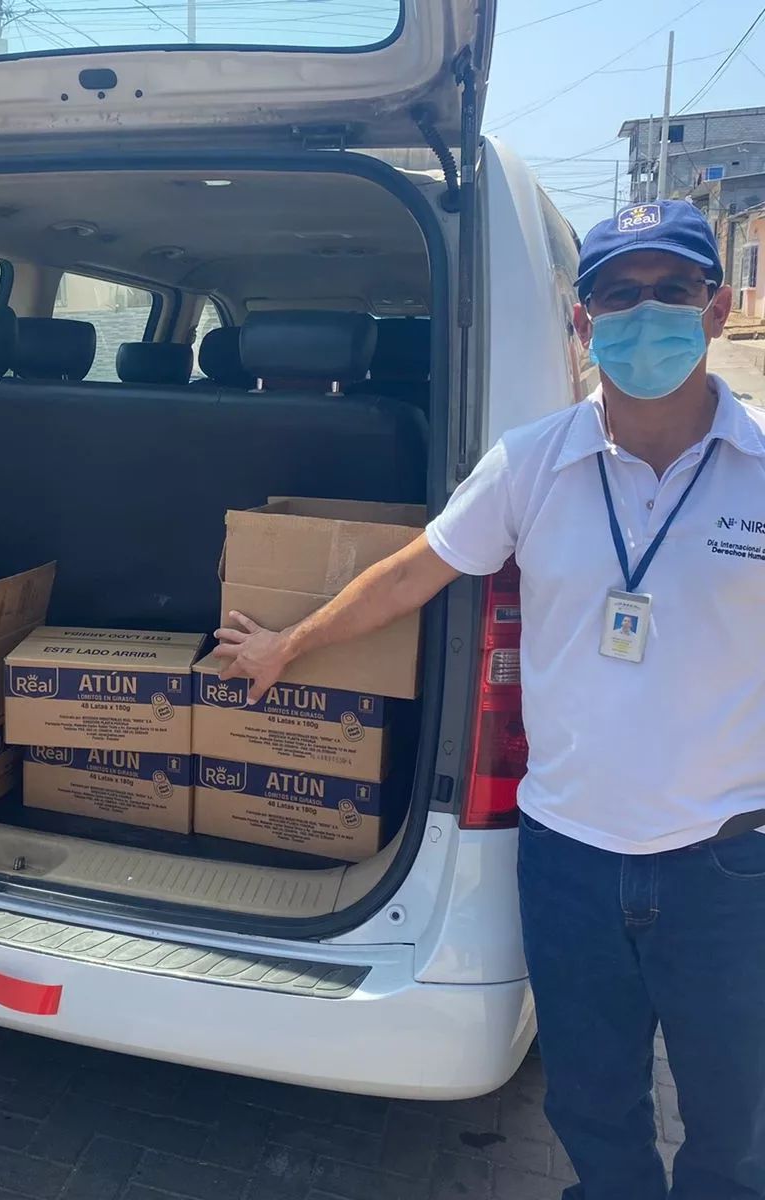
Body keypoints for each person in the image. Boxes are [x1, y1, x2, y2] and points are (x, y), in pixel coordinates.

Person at [214, 201, 765, 1200]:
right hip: (567, 856)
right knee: (592, 1107)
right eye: (619, 296)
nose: (645, 315)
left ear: (717, 307)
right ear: (583, 324)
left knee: (736, 1124)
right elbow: (411, 573)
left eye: (672, 291)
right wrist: (287, 646)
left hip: (725, 861)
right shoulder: (531, 461)